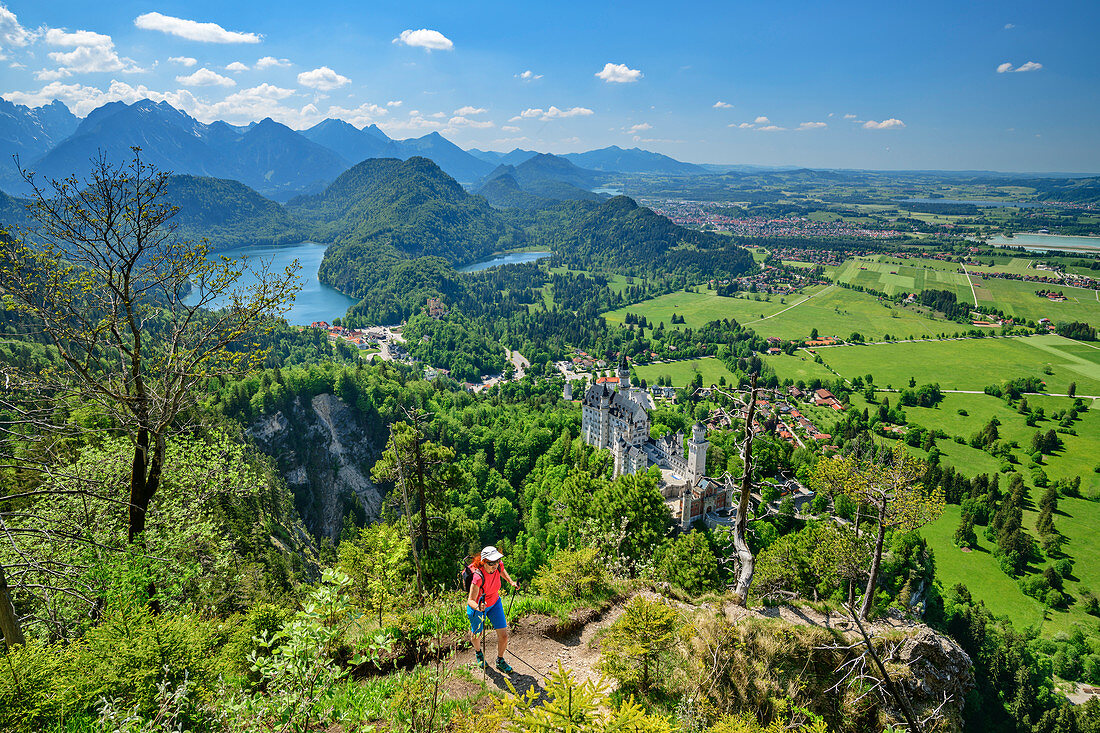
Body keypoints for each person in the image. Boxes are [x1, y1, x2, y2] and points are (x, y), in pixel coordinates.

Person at [466, 545, 518, 672]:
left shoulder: (498, 565)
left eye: (496, 561)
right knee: (477, 634)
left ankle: (500, 660)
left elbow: (502, 570)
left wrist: (511, 582)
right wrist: (478, 607)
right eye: (491, 563)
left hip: (494, 603)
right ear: (484, 562)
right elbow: (470, 600)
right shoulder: (478, 577)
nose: (495, 565)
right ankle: (478, 652)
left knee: (504, 636)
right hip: (478, 607)